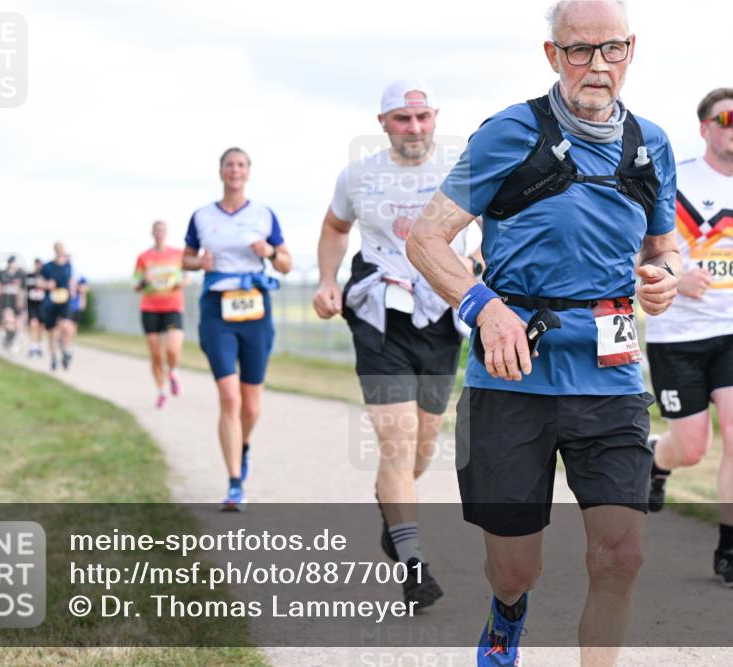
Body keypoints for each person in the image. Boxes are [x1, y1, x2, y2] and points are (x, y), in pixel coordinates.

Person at [406, 2, 680, 663]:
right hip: (512, 377)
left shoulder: (652, 144)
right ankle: (507, 614)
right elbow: (425, 238)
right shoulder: (509, 132)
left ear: (631, 50)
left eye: (611, 49)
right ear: (553, 55)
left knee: (620, 555)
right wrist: (484, 306)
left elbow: (664, 247)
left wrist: (666, 275)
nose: (596, 65)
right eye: (579, 50)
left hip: (611, 376)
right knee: (514, 570)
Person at [312, 79, 481, 610]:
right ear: (382, 123)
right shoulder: (358, 175)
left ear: (436, 118)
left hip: (440, 312)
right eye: (403, 119)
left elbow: (490, 231)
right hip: (379, 313)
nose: (414, 128)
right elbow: (335, 227)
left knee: (424, 444)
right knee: (398, 440)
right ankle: (412, 564)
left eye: (422, 117)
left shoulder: (460, 172)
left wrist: (478, 263)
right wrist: (327, 280)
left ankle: (392, 505)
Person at [644, 88, 733, 589]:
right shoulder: (673, 181)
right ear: (705, 128)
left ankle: (728, 552)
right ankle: (656, 460)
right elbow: (639, 246)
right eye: (727, 118)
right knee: (691, 448)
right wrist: (674, 277)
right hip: (675, 334)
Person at [183, 147, 292, 510]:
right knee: (229, 397)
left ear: (248, 172)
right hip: (217, 308)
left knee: (251, 403)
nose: (235, 170)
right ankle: (234, 483)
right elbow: (185, 259)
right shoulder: (202, 216)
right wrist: (199, 262)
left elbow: (287, 263)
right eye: (229, 165)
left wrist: (269, 252)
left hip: (255, 308)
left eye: (241, 165)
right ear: (221, 171)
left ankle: (241, 445)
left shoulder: (264, 215)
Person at [135, 220, 187, 409]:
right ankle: (161, 391)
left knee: (172, 349)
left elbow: (187, 276)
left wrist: (182, 283)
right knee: (156, 354)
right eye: (156, 229)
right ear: (152, 232)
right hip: (150, 308)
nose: (159, 232)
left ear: (166, 232)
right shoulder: (143, 257)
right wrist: (144, 280)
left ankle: (173, 371)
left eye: (162, 229)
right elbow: (137, 286)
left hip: (172, 306)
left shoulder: (177, 254)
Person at [39, 243, 75, 371]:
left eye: (62, 249)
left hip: (65, 300)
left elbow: (71, 280)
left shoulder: (68, 265)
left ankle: (65, 350)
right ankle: (54, 357)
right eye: (58, 249)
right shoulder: (47, 267)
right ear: (55, 250)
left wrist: (72, 289)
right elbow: (39, 281)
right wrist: (46, 284)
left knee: (67, 326)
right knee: (52, 332)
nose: (60, 252)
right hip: (50, 301)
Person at [0, 256, 26, 352]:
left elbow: (22, 289)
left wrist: (20, 301)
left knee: (15, 321)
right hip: (5, 299)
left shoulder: (20, 274)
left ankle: (11, 338)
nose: (13, 265)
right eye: (12, 263)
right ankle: (8, 338)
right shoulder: (2, 274)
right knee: (8, 319)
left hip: (15, 299)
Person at [24, 258, 47, 358]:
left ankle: (38, 346)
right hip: (32, 305)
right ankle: (33, 347)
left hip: (42, 305)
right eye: (37, 264)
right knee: (33, 324)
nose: (39, 266)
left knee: (41, 327)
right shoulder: (29, 276)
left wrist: (43, 285)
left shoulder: (46, 276)